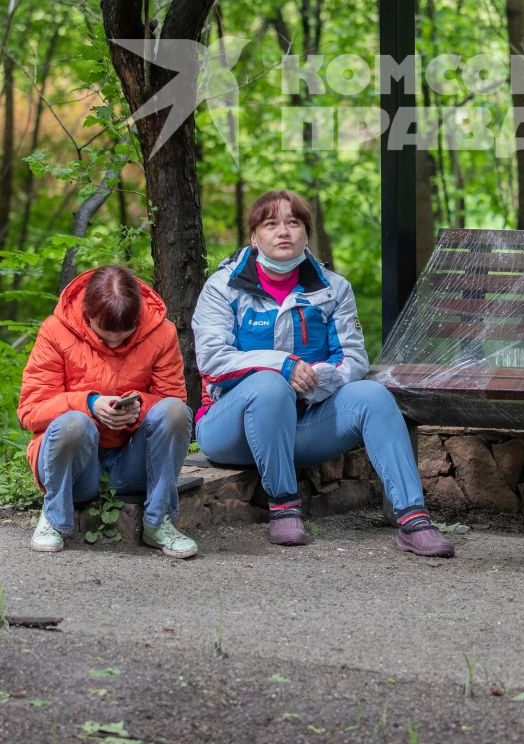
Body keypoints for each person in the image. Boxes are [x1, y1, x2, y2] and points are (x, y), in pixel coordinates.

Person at [191, 190, 454, 556]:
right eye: (271, 224)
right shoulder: (223, 288)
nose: (284, 232)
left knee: (374, 395)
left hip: (304, 425)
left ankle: (414, 520)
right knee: (269, 385)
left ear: (306, 233)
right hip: (230, 431)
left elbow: (353, 360)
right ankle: (283, 507)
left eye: (293, 223)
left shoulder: (333, 289)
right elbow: (213, 360)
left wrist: (316, 381)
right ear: (254, 237)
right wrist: (283, 367)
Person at [18, 264, 198, 558]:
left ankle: (158, 522)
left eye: (124, 336)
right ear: (88, 315)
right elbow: (30, 410)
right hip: (76, 467)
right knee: (74, 422)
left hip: (130, 462)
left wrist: (137, 409)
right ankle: (53, 518)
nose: (114, 343)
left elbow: (171, 401)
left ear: (138, 319)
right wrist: (88, 404)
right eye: (105, 335)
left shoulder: (161, 333)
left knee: (176, 412)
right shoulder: (55, 330)